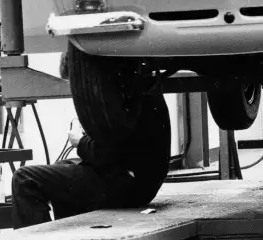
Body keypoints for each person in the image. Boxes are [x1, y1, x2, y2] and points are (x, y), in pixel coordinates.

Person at [11, 76, 171, 229]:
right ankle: (69, 238)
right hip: (142, 183)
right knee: (62, 168)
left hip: (127, 183)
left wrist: (80, 141)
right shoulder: (133, 87)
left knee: (25, 179)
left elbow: (106, 154)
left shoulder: (116, 94)